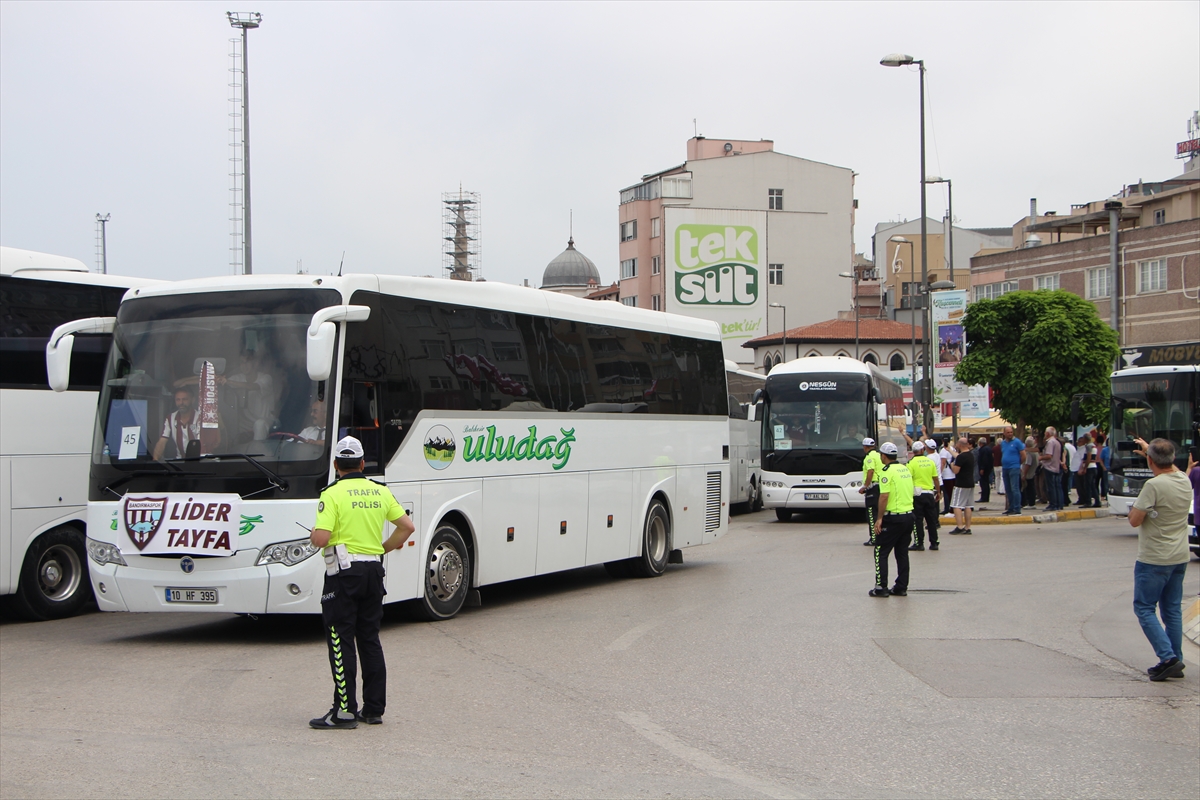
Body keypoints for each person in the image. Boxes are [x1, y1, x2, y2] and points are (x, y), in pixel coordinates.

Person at [309, 436, 416, 729]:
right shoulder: (380, 491)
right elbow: (407, 527)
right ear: (361, 463)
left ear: (335, 465)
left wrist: (314, 535)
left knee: (340, 638)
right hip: (373, 571)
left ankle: (343, 711)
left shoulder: (331, 494)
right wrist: (382, 548)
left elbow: (320, 538)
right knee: (369, 638)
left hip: (343, 573)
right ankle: (373, 709)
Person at [1126, 437, 1191, 682]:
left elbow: (1135, 520)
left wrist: (1135, 508)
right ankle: (1176, 657)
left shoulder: (1153, 486)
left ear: (1150, 460)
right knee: (1172, 610)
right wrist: (1150, 452)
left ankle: (1167, 657)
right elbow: (1169, 466)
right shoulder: (1183, 480)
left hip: (1154, 557)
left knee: (1144, 607)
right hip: (1179, 556)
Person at [869, 442, 914, 597]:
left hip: (893, 517)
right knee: (902, 553)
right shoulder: (905, 469)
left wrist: (879, 518)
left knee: (880, 551)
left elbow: (884, 496)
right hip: (908, 516)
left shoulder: (886, 472)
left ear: (883, 455)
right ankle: (901, 586)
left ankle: (881, 587)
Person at [907, 440, 941, 551]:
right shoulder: (930, 462)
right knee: (931, 520)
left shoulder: (910, 463)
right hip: (929, 493)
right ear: (923, 450)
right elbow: (935, 478)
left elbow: (908, 479)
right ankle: (934, 542)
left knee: (917, 520)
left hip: (917, 494)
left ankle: (919, 543)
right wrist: (938, 492)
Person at [153, 386, 202, 461]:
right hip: (180, 463)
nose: (181, 403)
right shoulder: (170, 418)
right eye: (178, 400)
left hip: (200, 461)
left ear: (193, 400)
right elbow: (162, 441)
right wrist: (155, 460)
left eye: (184, 399)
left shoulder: (201, 418)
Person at [858, 438, 883, 547]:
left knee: (871, 514)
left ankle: (874, 538)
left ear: (865, 447)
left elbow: (870, 471)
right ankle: (881, 536)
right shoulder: (879, 455)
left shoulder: (869, 457)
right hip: (881, 487)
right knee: (879, 513)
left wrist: (865, 486)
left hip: (873, 487)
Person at [948, 437, 976, 535]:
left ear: (959, 445)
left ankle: (959, 526)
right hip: (970, 483)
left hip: (961, 484)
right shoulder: (970, 455)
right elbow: (958, 456)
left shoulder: (961, 457)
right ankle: (968, 527)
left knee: (957, 505)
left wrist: (951, 465)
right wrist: (950, 450)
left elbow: (956, 470)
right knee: (968, 506)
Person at [998, 425, 1025, 516]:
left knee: (1015, 488)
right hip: (1005, 467)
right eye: (1008, 432)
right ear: (1004, 433)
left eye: (1011, 432)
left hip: (1014, 467)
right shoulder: (1003, 443)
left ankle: (1017, 508)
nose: (1010, 434)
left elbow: (1023, 455)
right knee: (1008, 489)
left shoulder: (1017, 442)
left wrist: (1018, 463)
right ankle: (1011, 507)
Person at [1039, 427, 1064, 511]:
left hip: (1049, 467)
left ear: (1048, 434)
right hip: (1056, 466)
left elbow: (1049, 455)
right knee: (1057, 486)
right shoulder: (1057, 442)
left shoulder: (1050, 442)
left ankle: (1053, 504)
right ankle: (1058, 504)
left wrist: (1040, 458)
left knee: (1051, 487)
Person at [938, 439, 957, 516]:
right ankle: (952, 508)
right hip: (953, 473)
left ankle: (947, 508)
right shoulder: (952, 449)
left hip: (946, 474)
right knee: (952, 493)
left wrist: (940, 472)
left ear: (942, 441)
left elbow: (943, 463)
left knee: (946, 493)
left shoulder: (943, 450)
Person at [1021, 436, 1039, 508]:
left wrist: (1024, 474)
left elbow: (1028, 464)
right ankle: (1031, 502)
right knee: (1032, 487)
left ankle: (1030, 503)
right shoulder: (1035, 453)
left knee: (1028, 487)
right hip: (1033, 472)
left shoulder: (1029, 453)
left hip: (1029, 473)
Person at [977, 435, 994, 504]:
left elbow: (984, 459)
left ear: (980, 443)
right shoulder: (988, 448)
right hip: (989, 468)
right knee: (986, 483)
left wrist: (982, 468)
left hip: (984, 469)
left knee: (984, 483)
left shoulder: (983, 450)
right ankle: (985, 497)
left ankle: (984, 497)